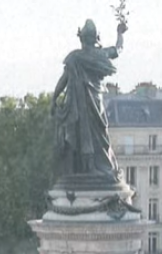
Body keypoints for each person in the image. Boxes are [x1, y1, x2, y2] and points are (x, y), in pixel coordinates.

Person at [50, 18, 126, 182]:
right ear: (96, 38)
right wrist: (120, 33)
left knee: (81, 135)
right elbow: (118, 49)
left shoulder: (74, 58)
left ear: (81, 38)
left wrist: (54, 99)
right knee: (100, 135)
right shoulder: (100, 55)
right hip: (95, 101)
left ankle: (85, 168)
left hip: (78, 105)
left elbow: (63, 81)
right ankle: (99, 168)